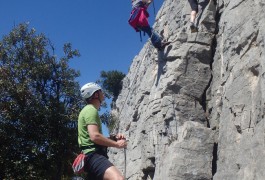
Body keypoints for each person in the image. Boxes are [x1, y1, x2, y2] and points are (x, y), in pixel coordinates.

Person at [78, 82, 127, 180]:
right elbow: (95, 136)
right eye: (101, 91)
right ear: (96, 94)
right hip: (94, 156)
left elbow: (92, 137)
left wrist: (114, 138)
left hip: (90, 157)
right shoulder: (90, 110)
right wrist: (117, 144)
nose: (103, 94)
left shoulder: (87, 110)